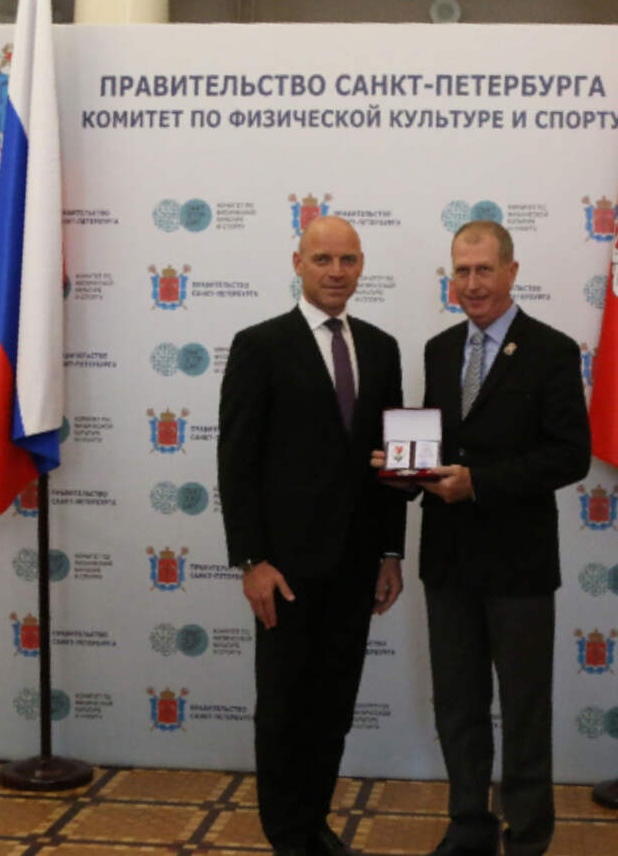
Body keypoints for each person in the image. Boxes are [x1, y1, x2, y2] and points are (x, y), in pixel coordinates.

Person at [218, 216, 406, 856]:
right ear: (298, 262)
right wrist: (251, 559)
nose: (335, 271)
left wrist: (390, 551)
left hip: (357, 565)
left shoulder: (381, 347)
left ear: (362, 265)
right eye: (322, 259)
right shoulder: (260, 344)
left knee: (334, 706)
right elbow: (236, 461)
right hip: (286, 569)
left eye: (347, 259)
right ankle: (287, 835)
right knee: (283, 708)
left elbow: (391, 462)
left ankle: (314, 823)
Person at [417, 220, 590, 856]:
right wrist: (404, 469)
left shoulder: (551, 349)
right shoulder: (439, 349)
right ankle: (469, 824)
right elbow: (439, 444)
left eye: (484, 270)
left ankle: (528, 834)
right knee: (457, 706)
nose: (472, 283)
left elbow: (570, 455)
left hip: (519, 565)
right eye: (461, 271)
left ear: (512, 272)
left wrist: (480, 484)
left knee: (523, 708)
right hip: (447, 561)